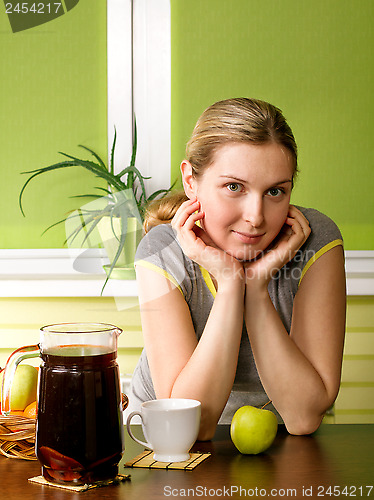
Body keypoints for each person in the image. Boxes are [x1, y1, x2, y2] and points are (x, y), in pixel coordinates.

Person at [128, 98, 346, 440]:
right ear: (191, 181)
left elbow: (303, 417)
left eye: (275, 191)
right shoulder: (161, 250)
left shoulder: (316, 241)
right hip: (160, 440)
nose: (256, 216)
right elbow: (192, 425)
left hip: (276, 441)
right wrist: (230, 283)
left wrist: (256, 287)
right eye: (234, 187)